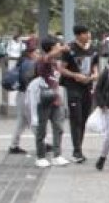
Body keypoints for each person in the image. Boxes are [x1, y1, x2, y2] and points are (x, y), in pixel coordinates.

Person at [58, 25, 99, 164]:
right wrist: (75, 75)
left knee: (84, 118)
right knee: (76, 118)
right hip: (73, 87)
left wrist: (93, 76)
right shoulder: (70, 49)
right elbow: (61, 69)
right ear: (78, 35)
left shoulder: (93, 49)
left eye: (89, 32)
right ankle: (76, 150)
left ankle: (79, 148)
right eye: (86, 33)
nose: (89, 35)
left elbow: (95, 68)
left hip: (88, 87)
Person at [29, 37, 70, 168]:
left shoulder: (55, 63)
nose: (60, 48)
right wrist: (61, 48)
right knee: (41, 129)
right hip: (43, 99)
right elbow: (47, 57)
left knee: (58, 128)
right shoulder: (43, 60)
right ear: (52, 48)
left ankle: (57, 155)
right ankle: (40, 156)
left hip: (56, 100)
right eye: (57, 46)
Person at [8, 38, 40, 154]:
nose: (38, 55)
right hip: (27, 95)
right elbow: (27, 80)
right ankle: (42, 142)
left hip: (21, 95)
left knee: (22, 121)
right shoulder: (29, 64)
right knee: (33, 119)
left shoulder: (22, 62)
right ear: (30, 54)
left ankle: (14, 145)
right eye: (36, 53)